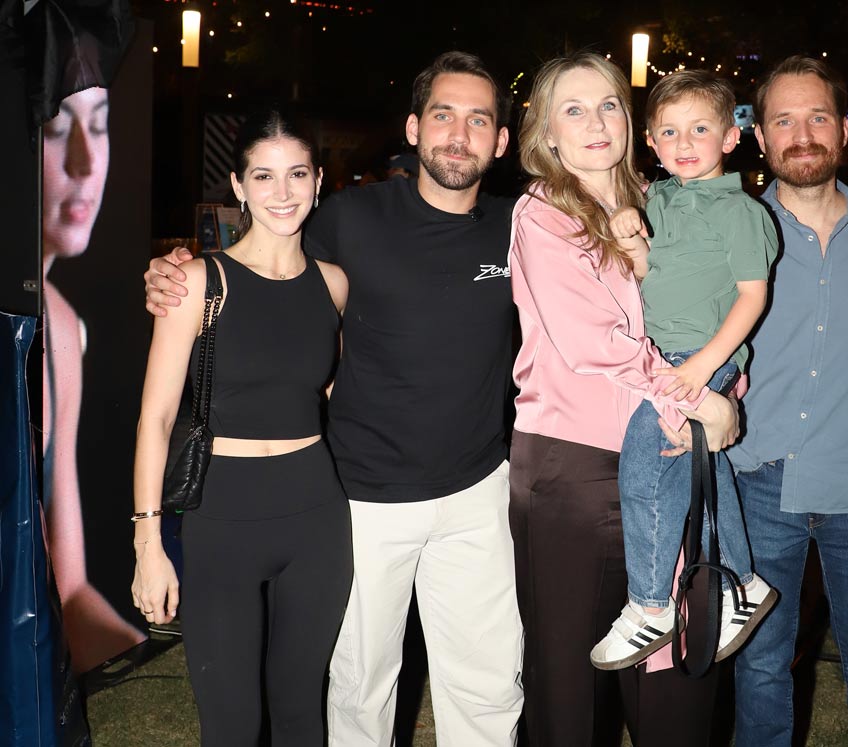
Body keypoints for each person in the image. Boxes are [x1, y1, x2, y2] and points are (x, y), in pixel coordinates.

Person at [144, 52, 524, 746]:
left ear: (501, 140)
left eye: (478, 119)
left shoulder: (523, 228)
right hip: (363, 497)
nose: (458, 134)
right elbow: (268, 266)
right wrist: (173, 274)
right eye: (442, 114)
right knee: (360, 689)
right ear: (414, 127)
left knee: (490, 687)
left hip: (476, 494)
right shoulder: (350, 217)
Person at [507, 51, 740, 746]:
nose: (595, 121)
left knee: (677, 685)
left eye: (608, 103)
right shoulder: (542, 214)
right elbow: (593, 343)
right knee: (571, 692)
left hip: (669, 460)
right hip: (574, 473)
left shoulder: (667, 198)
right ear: (546, 132)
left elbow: (717, 309)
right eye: (572, 109)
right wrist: (696, 404)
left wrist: (725, 386)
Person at [131, 110, 352, 745]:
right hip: (222, 518)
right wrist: (149, 545)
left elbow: (324, 392)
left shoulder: (333, 286)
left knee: (300, 713)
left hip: (316, 518)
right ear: (238, 185)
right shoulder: (199, 282)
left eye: (297, 175)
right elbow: (157, 417)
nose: (282, 193)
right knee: (229, 722)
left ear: (317, 182)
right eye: (264, 175)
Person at [725, 56, 848, 746]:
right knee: (761, 668)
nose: (801, 134)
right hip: (757, 483)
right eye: (783, 120)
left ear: (843, 128)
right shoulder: (730, 234)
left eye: (817, 117)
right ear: (761, 137)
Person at [590, 70, 778, 670]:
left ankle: (650, 606)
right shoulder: (659, 197)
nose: (684, 141)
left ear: (730, 136)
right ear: (650, 140)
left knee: (645, 466)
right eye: (669, 131)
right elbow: (651, 275)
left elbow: (754, 297)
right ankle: (740, 584)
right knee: (706, 474)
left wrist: (702, 366)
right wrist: (630, 234)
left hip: (701, 359)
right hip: (666, 354)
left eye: (700, 128)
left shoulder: (740, 211)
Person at [42, 85, 145, 673]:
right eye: (56, 129)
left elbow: (71, 586)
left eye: (99, 126)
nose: (85, 162)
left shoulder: (61, 325)